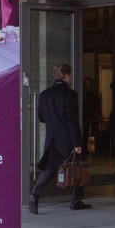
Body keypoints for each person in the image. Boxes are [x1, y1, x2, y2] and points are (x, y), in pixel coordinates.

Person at [30, 64, 85, 212]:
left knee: (49, 169)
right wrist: (77, 143)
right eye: (70, 75)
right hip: (67, 137)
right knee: (75, 166)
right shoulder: (70, 95)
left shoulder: (44, 94)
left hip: (51, 138)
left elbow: (41, 117)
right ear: (66, 75)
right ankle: (76, 200)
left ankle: (34, 195)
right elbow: (72, 121)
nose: (71, 78)